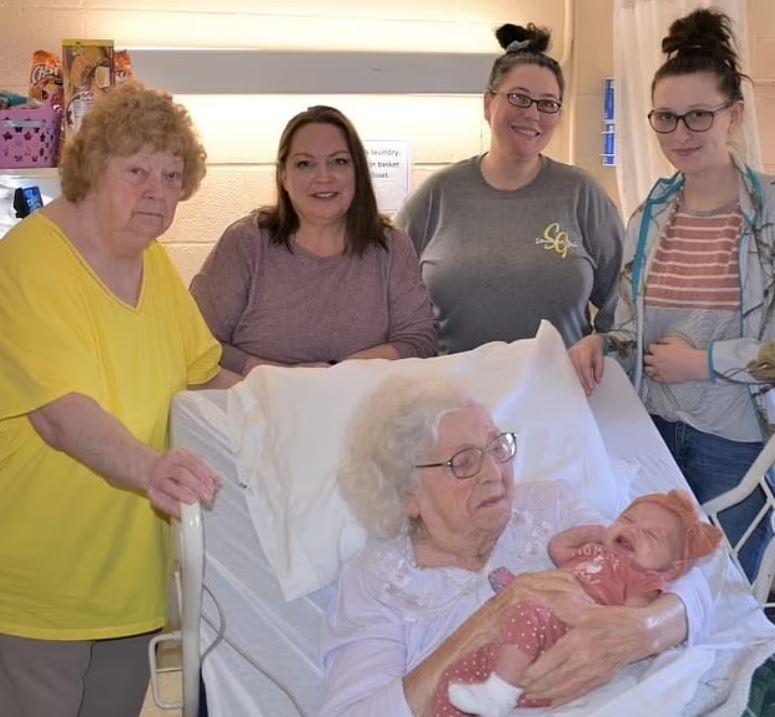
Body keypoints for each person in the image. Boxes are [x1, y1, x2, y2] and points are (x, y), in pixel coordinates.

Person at [0, 81, 240, 717]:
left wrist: (292, 405)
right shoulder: (28, 261)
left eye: (172, 174)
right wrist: (152, 469)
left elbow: (205, 375)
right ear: (89, 167)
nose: (157, 191)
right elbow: (60, 416)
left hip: (131, 586)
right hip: (39, 591)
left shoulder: (154, 264)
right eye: (136, 169)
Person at [319, 375, 715, 716]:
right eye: (463, 462)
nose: (494, 473)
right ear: (409, 494)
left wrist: (642, 629)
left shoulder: (549, 507)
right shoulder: (376, 581)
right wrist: (490, 618)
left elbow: (683, 576)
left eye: (497, 447)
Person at [569, 8, 775, 581]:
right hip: (651, 428)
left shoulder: (769, 218)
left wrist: (702, 363)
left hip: (735, 439)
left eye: (698, 117)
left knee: (730, 586)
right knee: (652, 582)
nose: (680, 134)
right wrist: (601, 344)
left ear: (734, 116)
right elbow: (635, 330)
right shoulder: (649, 216)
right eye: (666, 118)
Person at [395, 22, 623, 354]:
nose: (532, 114)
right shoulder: (434, 197)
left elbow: (624, 302)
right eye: (519, 98)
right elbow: (389, 306)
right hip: (455, 397)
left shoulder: (582, 195)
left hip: (559, 395)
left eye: (548, 103)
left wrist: (602, 349)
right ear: (489, 104)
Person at [190, 105, 436, 373]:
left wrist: (338, 375)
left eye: (338, 161)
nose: (323, 177)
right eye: (305, 164)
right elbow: (197, 343)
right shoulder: (245, 243)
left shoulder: (391, 246)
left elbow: (420, 342)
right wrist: (284, 378)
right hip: (262, 409)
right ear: (284, 176)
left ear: (358, 172)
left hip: (366, 409)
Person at [444, 490, 722, 717]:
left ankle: (500, 694)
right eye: (627, 519)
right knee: (454, 678)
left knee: (527, 609)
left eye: (651, 535)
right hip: (534, 620)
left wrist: (587, 612)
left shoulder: (643, 577)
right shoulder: (594, 551)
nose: (633, 531)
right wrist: (598, 533)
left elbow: (624, 622)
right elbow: (558, 547)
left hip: (565, 631)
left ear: (672, 569)